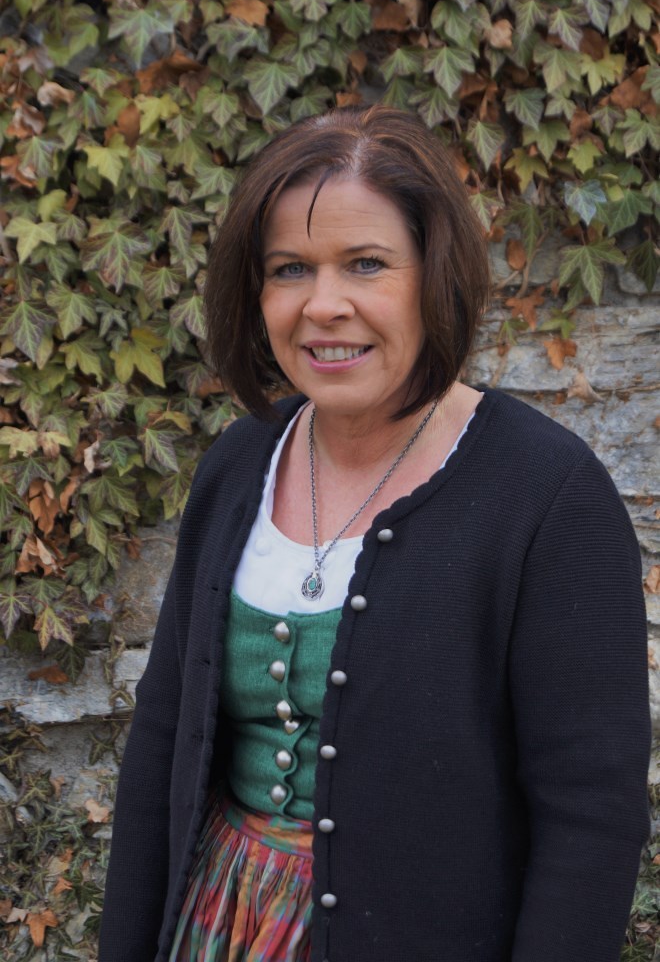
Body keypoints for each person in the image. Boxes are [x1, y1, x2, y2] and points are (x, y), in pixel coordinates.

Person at [98, 105, 650, 962]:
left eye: (366, 263)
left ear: (436, 276)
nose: (324, 305)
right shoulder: (238, 466)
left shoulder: (547, 496)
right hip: (218, 922)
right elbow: (163, 742)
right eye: (290, 269)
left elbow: (590, 813)